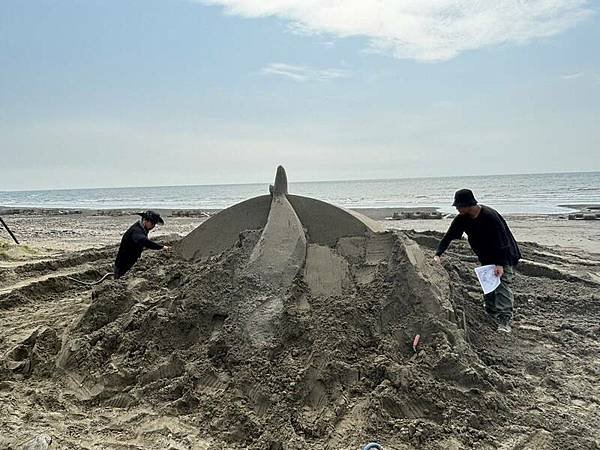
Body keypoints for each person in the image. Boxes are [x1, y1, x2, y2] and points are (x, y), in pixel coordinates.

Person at [433, 189, 521, 333]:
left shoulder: (490, 216)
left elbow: (502, 241)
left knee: (502, 286)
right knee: (489, 285)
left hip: (504, 255)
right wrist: (438, 254)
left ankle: (504, 321)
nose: (457, 209)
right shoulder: (462, 218)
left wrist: (499, 263)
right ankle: (491, 314)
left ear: (468, 204)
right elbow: (448, 237)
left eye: (459, 206)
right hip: (486, 257)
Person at [114, 210, 170, 279]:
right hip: (123, 263)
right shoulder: (136, 231)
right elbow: (145, 242)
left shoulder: (142, 228)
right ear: (145, 220)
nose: (153, 226)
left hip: (131, 260)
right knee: (120, 278)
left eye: (155, 224)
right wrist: (161, 247)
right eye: (152, 223)